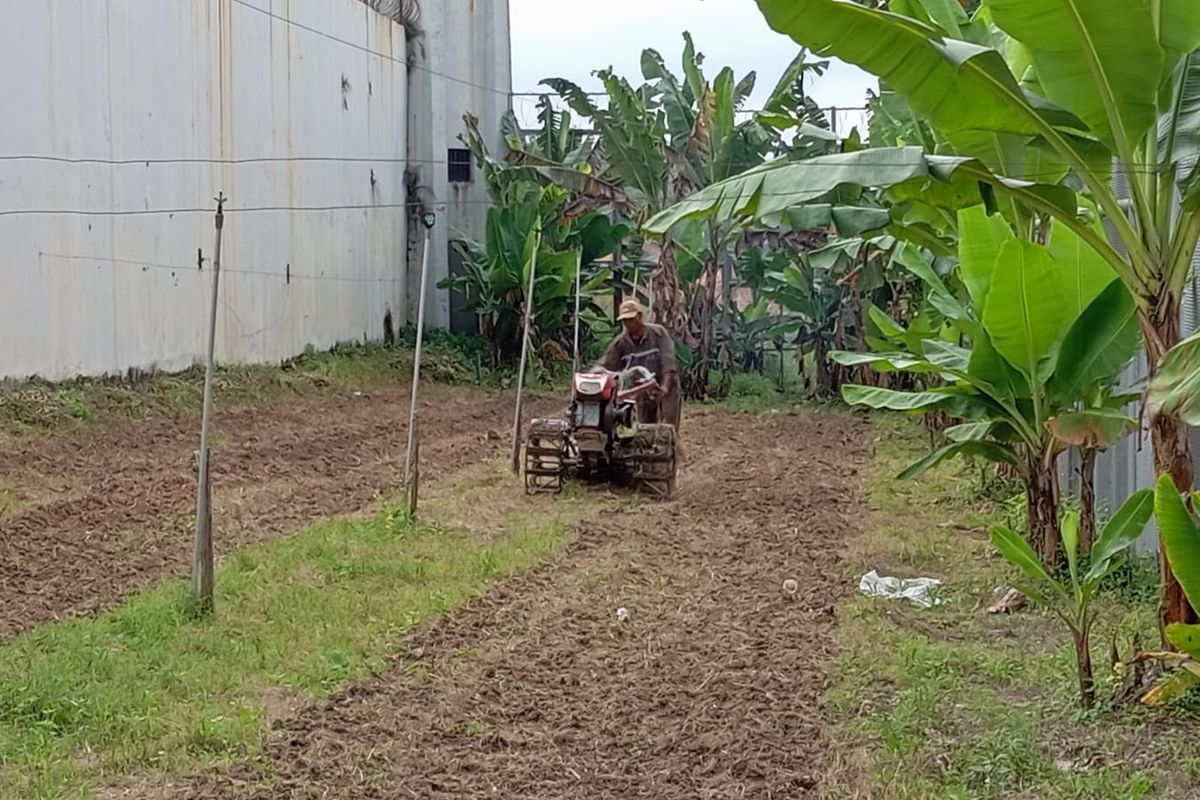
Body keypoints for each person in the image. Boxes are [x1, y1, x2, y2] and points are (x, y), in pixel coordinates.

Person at [597, 299, 681, 429]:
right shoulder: (620, 343)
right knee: (643, 427)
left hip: (665, 386)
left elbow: (668, 363)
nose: (628, 323)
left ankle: (671, 447)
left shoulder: (658, 334)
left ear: (640, 316)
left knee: (667, 427)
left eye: (631, 319)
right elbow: (606, 365)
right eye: (625, 320)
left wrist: (664, 388)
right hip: (640, 389)